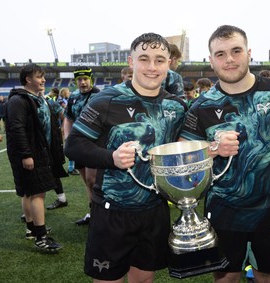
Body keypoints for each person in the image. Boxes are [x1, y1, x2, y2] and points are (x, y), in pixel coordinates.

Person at [179, 25, 270, 283]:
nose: (229, 59)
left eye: (236, 51)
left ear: (249, 53)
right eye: (220, 54)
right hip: (223, 213)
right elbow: (185, 159)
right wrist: (214, 149)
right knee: (225, 278)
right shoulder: (200, 106)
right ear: (211, 60)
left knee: (268, 276)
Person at [65, 32, 187, 282]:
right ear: (131, 62)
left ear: (169, 63)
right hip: (112, 211)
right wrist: (112, 158)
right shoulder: (105, 100)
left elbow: (185, 147)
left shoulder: (177, 106)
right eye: (144, 59)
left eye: (159, 60)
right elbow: (73, 145)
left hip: (155, 209)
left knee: (143, 279)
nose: (152, 67)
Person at [5, 63, 66, 252]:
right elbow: (16, 129)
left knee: (29, 192)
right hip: (31, 154)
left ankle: (32, 229)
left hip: (40, 152)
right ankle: (41, 237)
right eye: (39, 76)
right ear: (27, 79)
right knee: (37, 194)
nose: (44, 80)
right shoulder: (19, 100)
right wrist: (26, 154)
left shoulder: (37, 98)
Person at [63, 66, 100, 225]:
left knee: (93, 180)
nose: (82, 82)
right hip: (78, 144)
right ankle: (93, 212)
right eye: (79, 79)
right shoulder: (74, 97)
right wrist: (67, 138)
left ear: (91, 79)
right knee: (87, 181)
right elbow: (68, 118)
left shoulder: (100, 96)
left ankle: (100, 213)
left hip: (94, 144)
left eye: (85, 79)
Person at [44, 94, 69, 210]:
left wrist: (63, 129)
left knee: (53, 170)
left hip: (51, 144)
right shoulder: (30, 101)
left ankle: (62, 199)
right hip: (38, 144)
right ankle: (33, 206)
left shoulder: (50, 102)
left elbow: (65, 116)